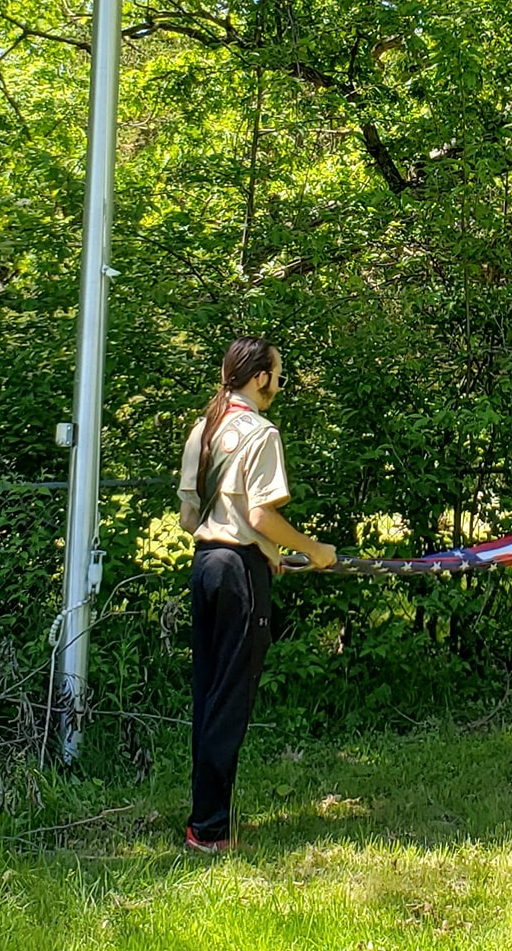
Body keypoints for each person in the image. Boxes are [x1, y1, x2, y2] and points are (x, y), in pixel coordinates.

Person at [179, 337, 336, 853]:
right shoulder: (261, 434)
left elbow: (190, 514)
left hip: (204, 566)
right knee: (232, 699)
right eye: (279, 374)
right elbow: (260, 514)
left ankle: (202, 818)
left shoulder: (205, 428)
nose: (279, 384)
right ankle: (210, 832)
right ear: (260, 377)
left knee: (208, 694)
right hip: (240, 573)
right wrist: (313, 549)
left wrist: (264, 549)